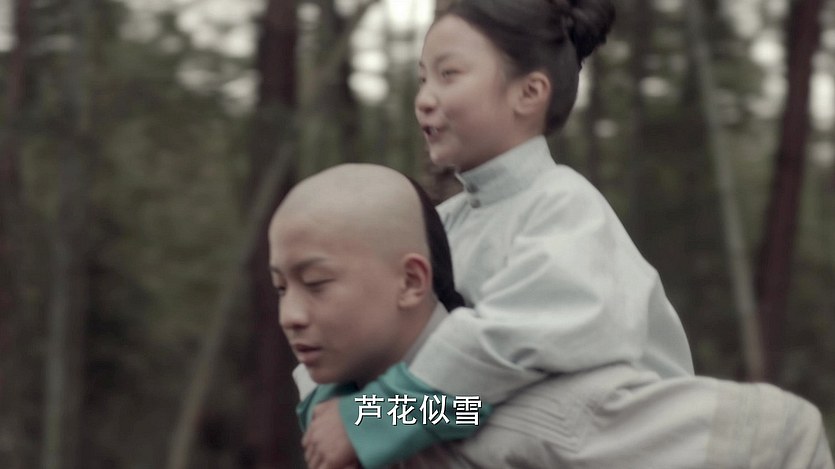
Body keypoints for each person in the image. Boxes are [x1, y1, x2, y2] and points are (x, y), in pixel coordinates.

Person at [303, 1, 695, 467]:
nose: (424, 98)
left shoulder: (566, 209)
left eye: (448, 75)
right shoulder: (442, 223)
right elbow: (459, 404)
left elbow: (500, 354)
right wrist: (333, 398)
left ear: (529, 92)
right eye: (423, 78)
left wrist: (372, 417)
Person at [275, 164, 834, 469]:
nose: (290, 315)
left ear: (412, 281)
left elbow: (785, 434)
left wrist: (372, 414)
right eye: (280, 287)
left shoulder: (533, 408)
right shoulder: (344, 415)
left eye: (316, 284)